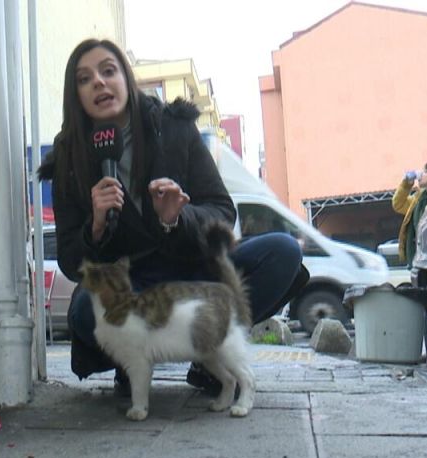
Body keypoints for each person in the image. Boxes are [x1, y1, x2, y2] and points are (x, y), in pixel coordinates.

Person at [38, 38, 307, 395]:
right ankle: (133, 361)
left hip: (194, 269)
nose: (99, 83)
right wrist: (96, 227)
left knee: (282, 252)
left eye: (108, 71)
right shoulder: (68, 158)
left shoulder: (174, 128)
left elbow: (222, 211)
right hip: (133, 286)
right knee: (87, 309)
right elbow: (72, 261)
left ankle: (209, 356)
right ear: (76, 96)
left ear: (126, 78)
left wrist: (176, 218)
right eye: (84, 79)